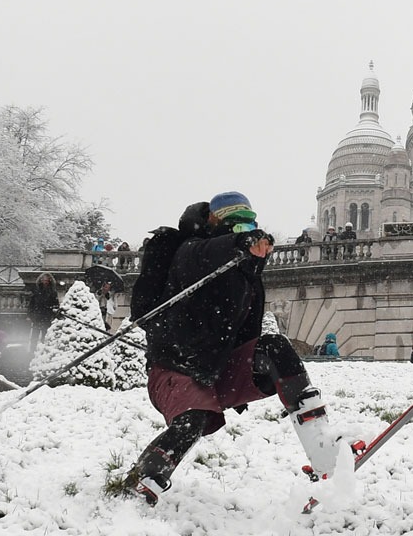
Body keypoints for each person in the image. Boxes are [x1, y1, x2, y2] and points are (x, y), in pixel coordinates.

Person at [123, 191, 343, 506]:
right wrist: (237, 244)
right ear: (215, 223)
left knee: (275, 347)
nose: (243, 231)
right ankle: (144, 477)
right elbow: (201, 255)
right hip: (174, 367)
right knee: (194, 418)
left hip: (218, 368)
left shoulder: (244, 275)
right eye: (235, 225)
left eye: (248, 224)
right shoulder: (187, 251)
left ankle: (324, 450)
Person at [27, 272, 59, 354]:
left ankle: (42, 352)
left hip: (46, 317)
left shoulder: (52, 292)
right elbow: (31, 304)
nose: (45, 281)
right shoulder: (36, 291)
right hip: (37, 317)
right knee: (35, 336)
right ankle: (33, 352)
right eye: (44, 279)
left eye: (47, 279)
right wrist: (30, 315)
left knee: (45, 336)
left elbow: (55, 305)